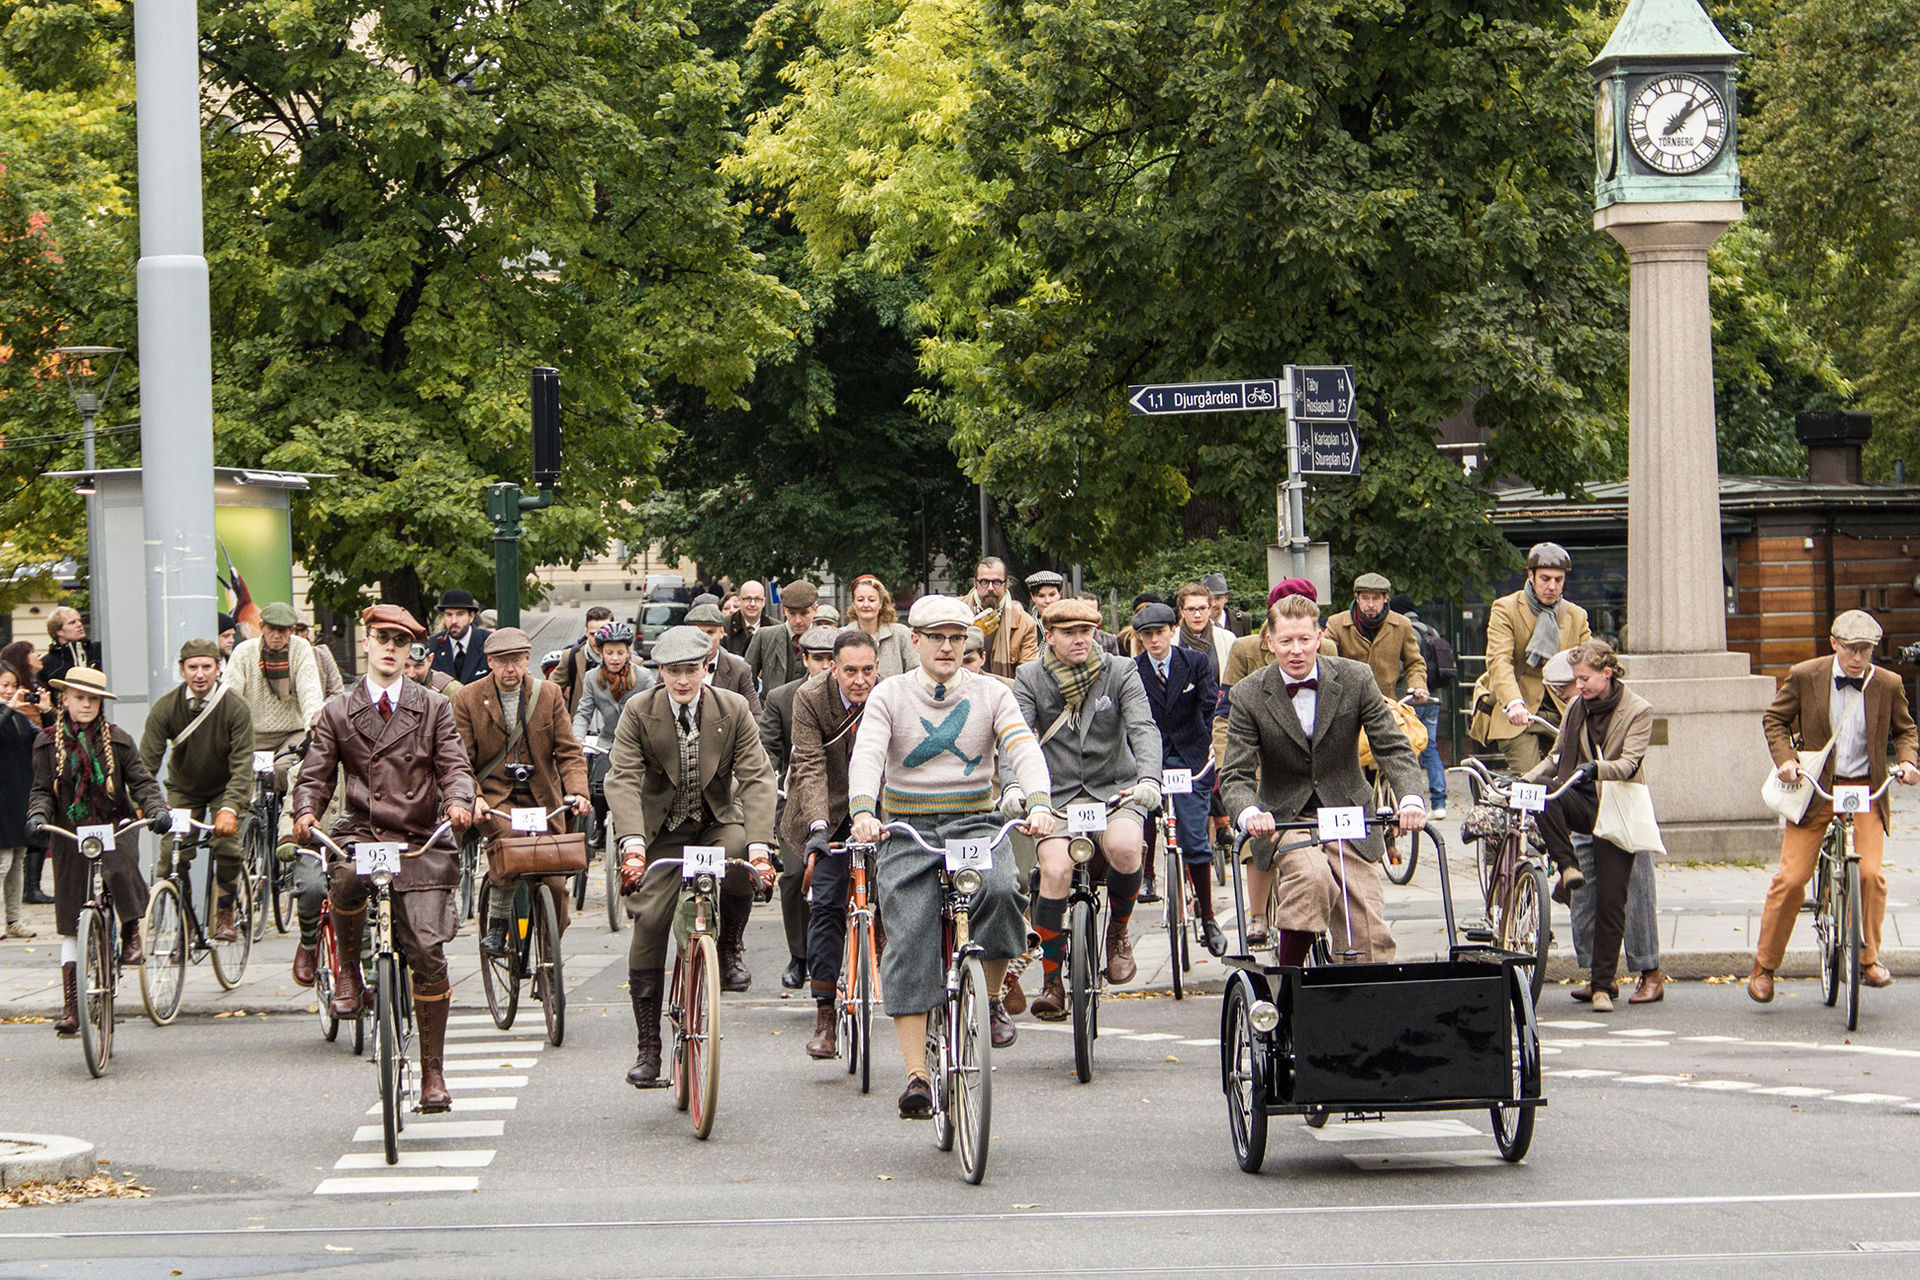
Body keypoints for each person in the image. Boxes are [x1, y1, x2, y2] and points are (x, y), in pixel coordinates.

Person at [848, 595, 1055, 1117]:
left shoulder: (991, 693)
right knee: (909, 930)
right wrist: (863, 811)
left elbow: (1022, 747)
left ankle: (985, 1003)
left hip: (974, 824)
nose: (946, 647)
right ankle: (917, 1075)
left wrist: (1038, 800)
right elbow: (869, 752)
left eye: (956, 638)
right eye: (936, 637)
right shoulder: (890, 694)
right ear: (913, 641)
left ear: (967, 644)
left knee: (1006, 890)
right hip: (907, 828)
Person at [292, 604, 476, 1113]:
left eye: (402, 640)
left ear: (412, 649)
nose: (391, 648)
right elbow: (315, 774)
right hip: (363, 832)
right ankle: (348, 970)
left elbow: (455, 765)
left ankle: (433, 1072)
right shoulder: (336, 710)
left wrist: (459, 801)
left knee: (426, 951)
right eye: (382, 638)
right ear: (366, 643)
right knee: (346, 878)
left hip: (420, 837)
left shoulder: (433, 707)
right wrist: (305, 812)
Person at [606, 625, 778, 1087]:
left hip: (715, 822)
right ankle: (649, 1048)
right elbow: (621, 778)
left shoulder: (733, 708)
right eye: (673, 671)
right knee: (652, 922)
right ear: (659, 671)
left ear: (707, 667)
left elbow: (758, 777)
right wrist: (634, 846)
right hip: (661, 832)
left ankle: (727, 945)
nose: (683, 681)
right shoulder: (638, 712)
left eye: (691, 670)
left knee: (740, 858)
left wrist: (762, 851)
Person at [1222, 594, 1427, 960]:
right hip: (1284, 817)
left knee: (1366, 923)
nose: (1296, 650)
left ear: (1319, 637)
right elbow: (1235, 772)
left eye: (1304, 639)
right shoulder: (1249, 694)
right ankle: (1289, 987)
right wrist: (1249, 813)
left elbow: (1392, 747)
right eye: (1286, 641)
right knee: (1311, 879)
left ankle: (1361, 997)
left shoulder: (1355, 678)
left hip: (1347, 812)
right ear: (1269, 642)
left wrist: (1410, 797)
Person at [1750, 609, 1920, 1003]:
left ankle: (1867, 959)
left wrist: (1909, 762)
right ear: (1834, 644)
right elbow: (1775, 720)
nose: (1858, 658)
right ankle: (1765, 966)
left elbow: (1906, 729)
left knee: (1871, 876)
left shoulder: (1888, 683)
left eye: (1866, 650)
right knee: (1791, 879)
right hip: (1817, 788)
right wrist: (1787, 760)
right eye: (1851, 649)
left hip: (1865, 788)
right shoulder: (1806, 675)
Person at [1009, 596, 1160, 1019]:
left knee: (1128, 848)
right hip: (1055, 795)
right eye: (1069, 633)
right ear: (1049, 636)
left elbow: (1143, 728)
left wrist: (1149, 779)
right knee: (1054, 872)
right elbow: (1016, 737)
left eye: (1086, 632)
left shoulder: (1120, 670)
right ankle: (1053, 979)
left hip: (1114, 790)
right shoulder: (1030, 677)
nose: (1080, 640)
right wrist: (1015, 787)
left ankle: (1118, 932)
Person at [25, 667, 171, 1034]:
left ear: (101, 704)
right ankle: (72, 1007)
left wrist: (156, 810)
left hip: (114, 825)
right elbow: (42, 789)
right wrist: (38, 813)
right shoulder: (46, 742)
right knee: (71, 922)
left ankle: (131, 930)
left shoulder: (118, 741)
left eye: (92, 699)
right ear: (65, 701)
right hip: (71, 832)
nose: (86, 704)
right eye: (79, 698)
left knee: (119, 867)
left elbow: (142, 782)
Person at [1524, 640, 1656, 1012]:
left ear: (1607, 673)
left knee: (1612, 900)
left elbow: (1629, 763)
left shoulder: (1638, 710)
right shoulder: (1576, 708)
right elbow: (1557, 757)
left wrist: (1596, 768)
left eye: (1585, 679)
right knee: (1541, 794)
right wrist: (1523, 780)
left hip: (1617, 805)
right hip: (1582, 799)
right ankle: (1567, 867)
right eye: (1576, 679)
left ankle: (1602, 986)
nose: (1578, 686)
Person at [452, 628, 591, 958]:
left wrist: (577, 792)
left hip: (542, 797)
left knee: (555, 882)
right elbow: (460, 760)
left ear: (527, 659)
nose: (509, 669)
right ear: (490, 663)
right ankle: (498, 924)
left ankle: (548, 952)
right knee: (510, 841)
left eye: (516, 660)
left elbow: (569, 752)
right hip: (496, 796)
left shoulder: (548, 694)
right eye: (501, 662)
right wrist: (475, 797)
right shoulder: (469, 698)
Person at [790, 628, 880, 1058]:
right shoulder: (810, 698)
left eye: (867, 670)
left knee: (903, 894)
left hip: (878, 809)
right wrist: (819, 827)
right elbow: (807, 764)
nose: (859, 680)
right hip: (824, 807)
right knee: (825, 902)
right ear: (833, 668)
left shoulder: (890, 694)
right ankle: (825, 1015)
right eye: (850, 671)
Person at [139, 639, 256, 946]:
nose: (200, 674)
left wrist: (230, 807)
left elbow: (243, 765)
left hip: (225, 787)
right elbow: (145, 763)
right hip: (184, 790)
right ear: (182, 670)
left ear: (219, 668)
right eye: (193, 667)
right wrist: (140, 802)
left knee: (227, 845)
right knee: (171, 857)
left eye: (207, 666)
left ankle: (225, 912)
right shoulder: (166, 707)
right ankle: (186, 921)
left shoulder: (235, 706)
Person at [1132, 602, 1226, 955]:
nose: (1154, 641)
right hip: (1150, 756)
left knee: (1193, 835)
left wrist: (1198, 739)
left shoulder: (1195, 662)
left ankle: (1207, 916)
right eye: (1146, 635)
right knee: (1140, 810)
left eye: (1159, 633)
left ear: (1173, 630)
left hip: (1190, 755)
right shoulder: (1134, 669)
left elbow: (1208, 702)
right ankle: (1146, 876)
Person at [757, 624, 840, 990]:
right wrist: (767, 786)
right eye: (817, 659)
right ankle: (799, 954)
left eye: (830, 659)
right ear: (804, 659)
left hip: (852, 803)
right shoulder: (781, 697)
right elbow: (767, 753)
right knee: (792, 876)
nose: (824, 666)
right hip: (798, 801)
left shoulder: (861, 691)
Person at [1484, 543, 1591, 774]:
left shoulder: (1576, 615)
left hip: (1561, 712)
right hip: (1520, 714)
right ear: (1530, 576)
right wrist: (1514, 703)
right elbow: (1499, 661)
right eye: (1545, 578)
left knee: (1575, 779)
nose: (1552, 586)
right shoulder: (1506, 608)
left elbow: (1591, 665)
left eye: (1558, 580)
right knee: (1533, 780)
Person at [571, 621, 653, 843]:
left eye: (620, 652)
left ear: (628, 652)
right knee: (598, 785)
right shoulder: (591, 679)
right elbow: (583, 713)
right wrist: (577, 739)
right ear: (600, 653)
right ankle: (599, 825)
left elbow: (654, 712)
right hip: (608, 742)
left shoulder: (644, 677)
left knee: (643, 785)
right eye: (609, 653)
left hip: (638, 743)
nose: (615, 658)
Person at [1390, 593, 1452, 818]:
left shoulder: (1404, 630)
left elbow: (1398, 667)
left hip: (1409, 698)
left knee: (1405, 751)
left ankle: (1412, 799)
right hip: (1432, 697)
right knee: (1431, 747)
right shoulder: (1430, 629)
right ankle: (1439, 802)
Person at [1324, 574, 1428, 703]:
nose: (1371, 604)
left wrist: (1417, 685)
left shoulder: (1402, 625)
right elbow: (1325, 661)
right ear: (1357, 599)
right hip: (1348, 705)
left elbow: (1414, 662)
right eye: (1365, 598)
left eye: (1376, 598)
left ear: (1385, 598)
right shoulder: (1336, 624)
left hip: (1386, 704)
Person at [0, 662, 40, 937]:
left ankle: (13, 919)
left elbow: (40, 739)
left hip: (19, 794)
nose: (9, 690)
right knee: (1, 862)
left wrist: (48, 712)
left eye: (13, 685)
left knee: (17, 860)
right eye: (4, 685)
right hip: (1, 798)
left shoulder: (18, 715)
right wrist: (7, 708)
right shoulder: (7, 713)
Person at [962, 557, 1040, 680]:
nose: (990, 588)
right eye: (984, 582)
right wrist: (972, 634)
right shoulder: (955, 611)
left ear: (1006, 584)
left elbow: (1029, 679)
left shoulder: (1024, 623)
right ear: (975, 583)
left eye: (997, 582)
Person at [684, 602, 763, 715]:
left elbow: (754, 715)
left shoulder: (740, 669)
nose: (704, 639)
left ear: (721, 632)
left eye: (710, 632)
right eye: (699, 633)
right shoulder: (671, 668)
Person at [744, 580, 821, 693]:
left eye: (804, 613)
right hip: (770, 708)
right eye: (792, 613)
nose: (798, 620)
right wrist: (757, 709)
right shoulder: (764, 637)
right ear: (784, 610)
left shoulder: (825, 641)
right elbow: (746, 681)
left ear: (815, 610)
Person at [847, 574, 919, 677]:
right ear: (853, 604)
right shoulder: (841, 636)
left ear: (880, 603)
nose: (866, 605)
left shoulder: (901, 634)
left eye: (871, 600)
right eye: (860, 600)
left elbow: (915, 672)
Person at [553, 605, 615, 716]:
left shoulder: (631, 661)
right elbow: (549, 691)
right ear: (586, 632)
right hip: (581, 728)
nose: (597, 640)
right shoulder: (571, 657)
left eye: (603, 634)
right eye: (593, 634)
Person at [427, 588, 492, 685]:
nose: (453, 621)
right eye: (449, 615)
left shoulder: (488, 642)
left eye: (460, 614)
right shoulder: (433, 645)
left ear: (471, 617)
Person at [39, 607, 102, 693]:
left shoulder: (99, 650)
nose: (79, 624)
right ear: (59, 631)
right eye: (72, 623)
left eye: (79, 620)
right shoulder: (47, 664)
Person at [292, 617, 346, 700]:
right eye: (294, 631)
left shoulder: (322, 654)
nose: (299, 635)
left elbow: (337, 692)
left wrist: (320, 710)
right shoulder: (281, 658)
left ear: (308, 632)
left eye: (302, 630)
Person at [722, 580, 769, 657]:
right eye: (748, 599)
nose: (752, 604)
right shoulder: (725, 626)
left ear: (763, 602)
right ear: (740, 600)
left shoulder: (775, 628)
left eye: (757, 599)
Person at [1204, 573, 1250, 638]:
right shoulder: (1197, 623)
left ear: (1226, 598)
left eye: (1217, 598)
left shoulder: (1242, 620)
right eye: (1209, 598)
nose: (1213, 604)